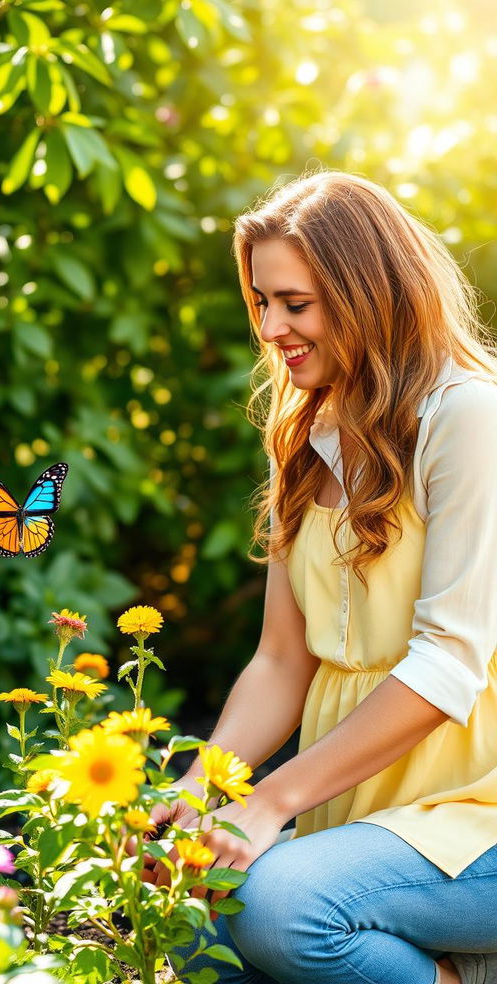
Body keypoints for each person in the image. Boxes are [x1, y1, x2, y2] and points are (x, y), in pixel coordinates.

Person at [149, 170, 497, 984]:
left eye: (294, 304)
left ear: (369, 292)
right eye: (262, 302)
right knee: (187, 912)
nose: (271, 327)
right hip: (362, 809)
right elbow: (282, 659)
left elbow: (449, 661)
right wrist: (198, 797)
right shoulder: (310, 435)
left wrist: (271, 801)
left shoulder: (468, 418)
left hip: (474, 812)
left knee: (277, 908)